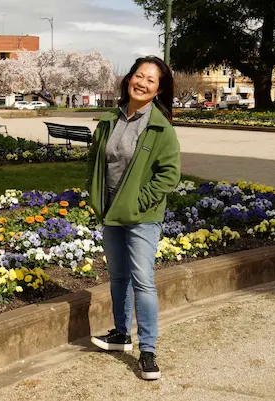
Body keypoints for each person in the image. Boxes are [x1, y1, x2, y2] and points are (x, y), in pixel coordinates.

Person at [85, 56, 180, 381]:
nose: (142, 82)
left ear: (158, 90)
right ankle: (121, 334)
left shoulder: (160, 126)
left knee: (143, 282)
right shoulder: (110, 120)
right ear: (129, 79)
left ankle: (148, 350)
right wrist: (93, 191)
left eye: (150, 80)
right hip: (111, 213)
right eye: (139, 76)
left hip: (142, 217)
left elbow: (169, 175)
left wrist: (140, 201)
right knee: (118, 277)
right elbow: (95, 161)